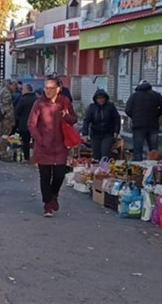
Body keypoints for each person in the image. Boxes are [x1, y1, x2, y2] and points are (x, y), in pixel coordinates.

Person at [28, 76, 78, 217]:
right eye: (46, 88)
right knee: (44, 176)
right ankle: (47, 205)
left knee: (59, 175)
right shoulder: (39, 103)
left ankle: (54, 195)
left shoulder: (65, 102)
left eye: (51, 88)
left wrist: (67, 116)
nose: (48, 91)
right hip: (44, 146)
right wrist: (40, 139)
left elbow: (74, 119)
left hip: (60, 146)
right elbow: (31, 124)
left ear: (58, 89)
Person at [125, 80, 162, 162]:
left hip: (138, 126)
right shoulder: (156, 95)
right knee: (153, 150)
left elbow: (127, 110)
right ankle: (153, 169)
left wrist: (135, 117)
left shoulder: (134, 96)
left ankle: (138, 168)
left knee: (137, 150)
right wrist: (157, 113)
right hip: (152, 125)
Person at [81, 89, 121, 160]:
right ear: (95, 99)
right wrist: (85, 133)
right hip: (95, 134)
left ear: (105, 98)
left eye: (102, 98)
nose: (101, 100)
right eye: (98, 98)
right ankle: (97, 169)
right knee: (96, 155)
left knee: (105, 153)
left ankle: (105, 169)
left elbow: (117, 119)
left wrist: (116, 131)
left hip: (107, 133)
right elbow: (86, 120)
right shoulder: (92, 108)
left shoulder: (110, 107)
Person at [14, 84, 37, 163]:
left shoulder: (22, 99)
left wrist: (16, 123)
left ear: (26, 90)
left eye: (23, 89)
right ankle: (35, 157)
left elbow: (17, 111)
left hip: (24, 123)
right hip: (35, 124)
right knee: (35, 141)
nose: (22, 91)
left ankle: (26, 158)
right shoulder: (36, 99)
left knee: (25, 142)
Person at [0, 80, 17, 162]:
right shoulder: (6, 93)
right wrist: (11, 119)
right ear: (10, 85)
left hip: (3, 117)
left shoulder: (3, 91)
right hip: (6, 118)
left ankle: (1, 151)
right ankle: (3, 153)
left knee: (3, 135)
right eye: (14, 86)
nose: (15, 88)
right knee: (4, 135)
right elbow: (7, 108)